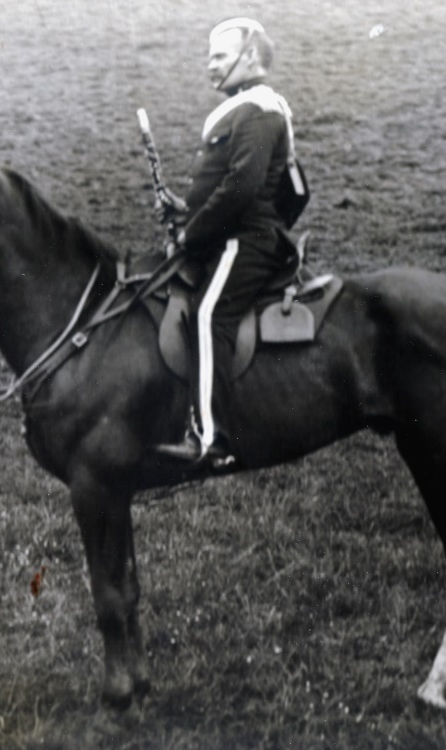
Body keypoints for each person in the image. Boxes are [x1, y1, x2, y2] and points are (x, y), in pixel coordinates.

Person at [156, 17, 299, 463]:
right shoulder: (243, 108)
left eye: (219, 56)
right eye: (209, 57)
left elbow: (242, 188)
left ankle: (213, 437)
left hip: (245, 241)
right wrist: (184, 209)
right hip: (227, 235)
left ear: (250, 56)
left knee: (207, 316)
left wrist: (189, 235)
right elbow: (226, 188)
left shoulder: (261, 110)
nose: (210, 67)